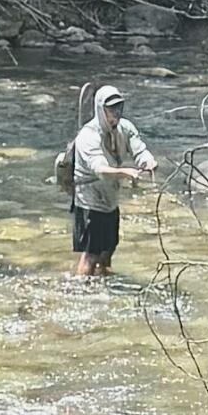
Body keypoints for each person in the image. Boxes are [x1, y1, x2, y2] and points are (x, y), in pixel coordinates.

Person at [66, 84, 157, 277]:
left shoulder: (126, 128)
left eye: (118, 108)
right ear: (100, 109)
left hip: (110, 201)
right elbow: (100, 169)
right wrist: (126, 172)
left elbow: (139, 148)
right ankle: (82, 290)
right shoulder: (88, 136)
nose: (115, 114)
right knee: (91, 254)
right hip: (89, 201)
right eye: (110, 109)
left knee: (108, 250)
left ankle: (104, 283)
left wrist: (148, 161)